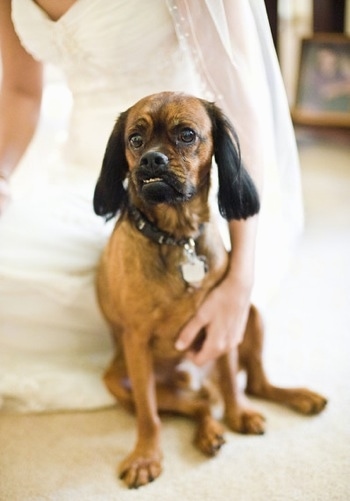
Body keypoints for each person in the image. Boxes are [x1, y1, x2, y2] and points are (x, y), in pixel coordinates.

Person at [0, 0, 303, 412]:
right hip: (90, 175)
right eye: (141, 141)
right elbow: (20, 93)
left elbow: (239, 107)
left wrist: (240, 274)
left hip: (193, 188)